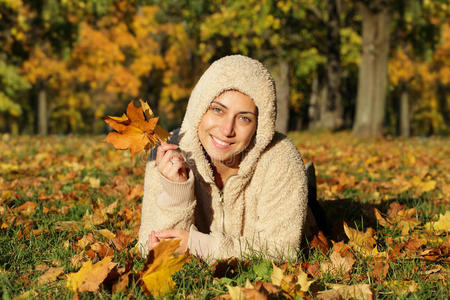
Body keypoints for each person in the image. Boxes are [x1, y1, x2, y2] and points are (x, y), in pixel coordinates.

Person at [138, 55, 308, 261]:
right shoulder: (169, 151)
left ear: (259, 126)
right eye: (218, 110)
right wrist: (177, 192)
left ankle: (309, 187)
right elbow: (151, 249)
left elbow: (282, 250)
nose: (227, 129)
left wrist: (198, 246)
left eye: (244, 118)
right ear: (199, 108)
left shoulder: (280, 157)